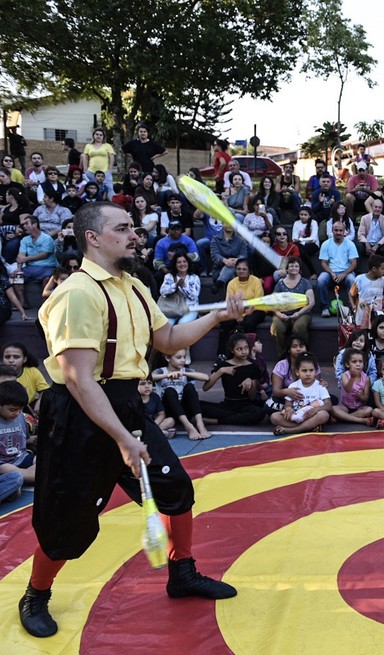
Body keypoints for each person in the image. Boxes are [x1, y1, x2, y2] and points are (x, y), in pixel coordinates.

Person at [21, 202, 242, 638]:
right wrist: (122, 438)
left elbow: (168, 338)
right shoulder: (77, 294)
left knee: (175, 488)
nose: (134, 235)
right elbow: (81, 381)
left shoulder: (135, 287)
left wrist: (218, 317)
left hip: (125, 405)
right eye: (122, 229)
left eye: (133, 228)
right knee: (68, 519)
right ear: (93, 237)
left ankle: (181, 574)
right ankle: (36, 593)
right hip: (81, 414)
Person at [317, 221, 358, 317]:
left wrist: (344, 274)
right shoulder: (326, 244)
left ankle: (350, 307)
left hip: (346, 272)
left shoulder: (350, 244)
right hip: (331, 273)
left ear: (344, 231)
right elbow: (323, 262)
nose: (338, 232)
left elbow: (354, 263)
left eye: (340, 230)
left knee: (352, 280)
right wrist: (331, 273)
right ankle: (325, 308)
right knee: (320, 280)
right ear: (332, 231)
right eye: (336, 230)